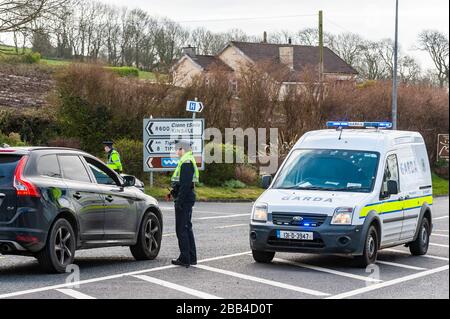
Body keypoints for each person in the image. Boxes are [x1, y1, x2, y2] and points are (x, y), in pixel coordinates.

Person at [167, 140, 199, 268]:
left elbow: (185, 185)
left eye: (177, 149)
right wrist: (173, 192)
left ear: (182, 149)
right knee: (186, 227)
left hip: (184, 200)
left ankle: (185, 258)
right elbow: (182, 183)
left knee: (181, 229)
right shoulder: (187, 160)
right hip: (186, 198)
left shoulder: (186, 162)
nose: (175, 151)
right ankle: (191, 257)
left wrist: (179, 201)